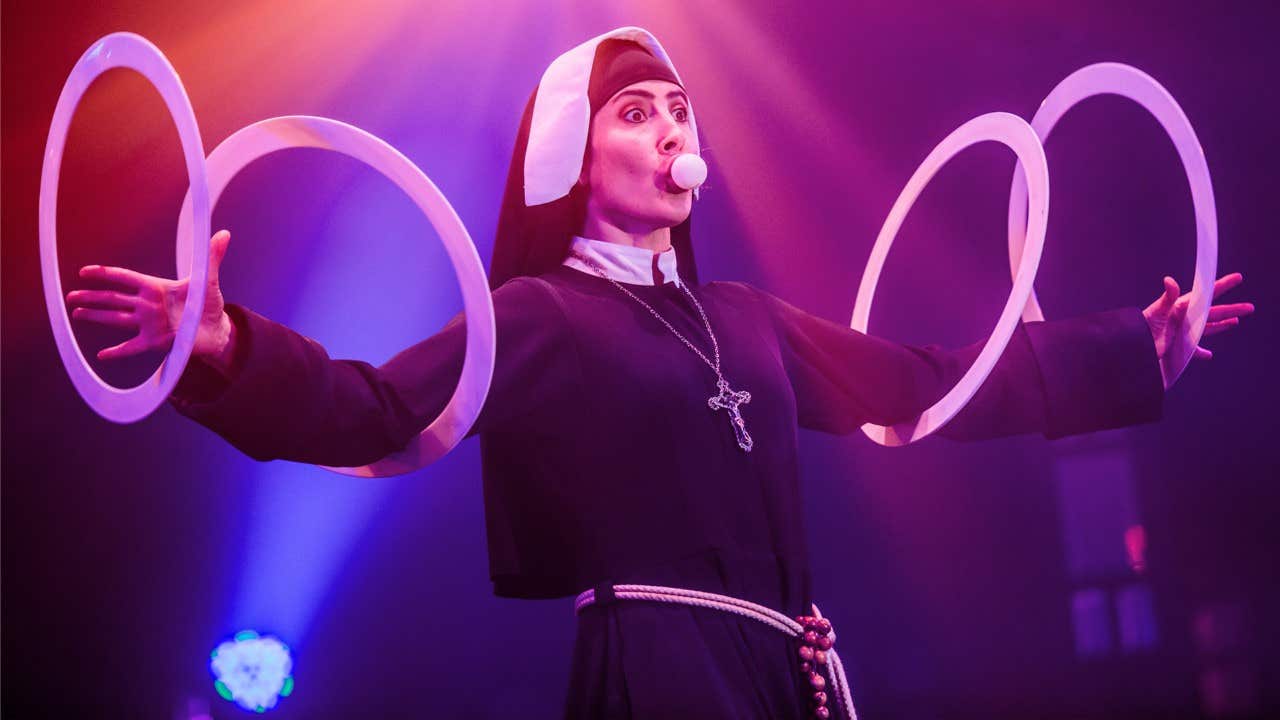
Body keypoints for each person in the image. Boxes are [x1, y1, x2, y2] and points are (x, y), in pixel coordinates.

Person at [65, 28, 1253, 720]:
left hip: (793, 662)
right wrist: (224, 347)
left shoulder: (744, 318)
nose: (673, 125)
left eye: (681, 107)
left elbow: (927, 381)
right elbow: (370, 411)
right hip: (657, 669)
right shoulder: (534, 318)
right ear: (573, 160)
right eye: (637, 111)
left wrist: (1125, 351)